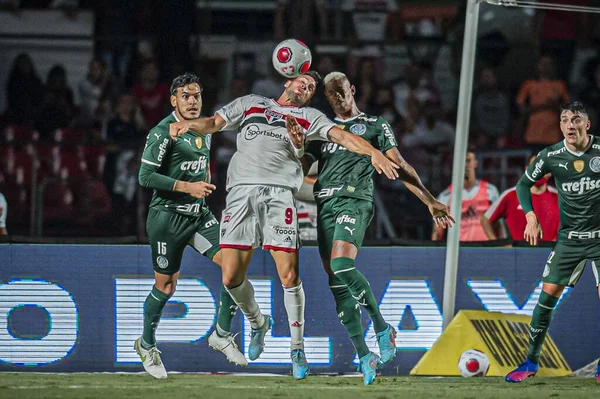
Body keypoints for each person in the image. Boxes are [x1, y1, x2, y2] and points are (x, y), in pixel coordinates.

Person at [169, 70, 400, 380]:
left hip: (280, 196)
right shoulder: (251, 103)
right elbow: (213, 123)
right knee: (230, 276)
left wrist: (372, 152)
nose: (306, 88)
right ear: (288, 81)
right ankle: (258, 322)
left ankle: (297, 349)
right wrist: (188, 124)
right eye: (303, 82)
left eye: (311, 88)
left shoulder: (309, 117)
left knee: (289, 275)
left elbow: (344, 137)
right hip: (240, 194)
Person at [294, 71, 453, 385]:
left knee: (342, 263)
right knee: (338, 284)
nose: (337, 98)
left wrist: (429, 200)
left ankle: (382, 327)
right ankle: (364, 354)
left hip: (355, 201)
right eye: (331, 95)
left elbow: (400, 165)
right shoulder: (322, 131)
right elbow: (299, 170)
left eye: (341, 91)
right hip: (323, 207)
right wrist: (299, 147)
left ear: (351, 89)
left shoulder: (375, 125)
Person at [135, 73, 248, 379]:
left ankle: (222, 334)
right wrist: (188, 187)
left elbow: (200, 166)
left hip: (198, 214)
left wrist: (203, 187)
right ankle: (146, 345)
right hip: (167, 219)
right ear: (173, 100)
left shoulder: (204, 129)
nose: (193, 101)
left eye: (196, 95)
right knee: (166, 286)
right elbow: (145, 177)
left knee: (232, 265)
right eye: (186, 96)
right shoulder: (163, 132)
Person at [505, 101, 600, 383]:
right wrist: (530, 217)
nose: (570, 125)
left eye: (576, 119)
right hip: (569, 240)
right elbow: (523, 184)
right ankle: (530, 362)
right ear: (560, 126)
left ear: (587, 124)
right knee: (545, 301)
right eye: (565, 120)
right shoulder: (550, 155)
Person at [481, 155, 559, 242]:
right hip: (518, 253)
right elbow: (485, 219)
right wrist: (497, 245)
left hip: (549, 252)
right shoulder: (510, 195)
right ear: (527, 169)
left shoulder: (558, 197)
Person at [432, 151, 500, 242]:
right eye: (461, 161)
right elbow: (437, 232)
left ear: (475, 163)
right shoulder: (445, 196)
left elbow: (500, 224)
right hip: (459, 251)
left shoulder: (490, 191)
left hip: (486, 250)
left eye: (468, 160)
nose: (465, 165)